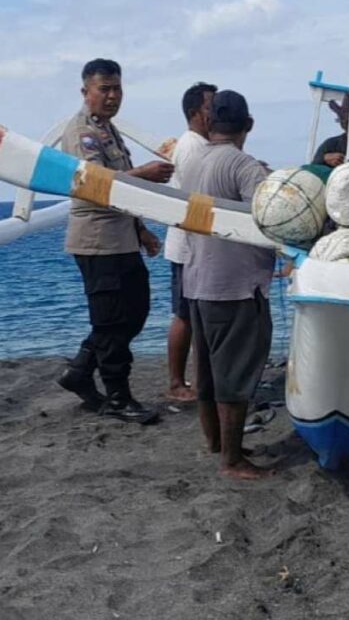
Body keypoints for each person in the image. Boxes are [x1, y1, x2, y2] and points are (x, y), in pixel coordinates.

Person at [57, 59, 174, 424]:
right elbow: (97, 184)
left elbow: (123, 191)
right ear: (86, 92)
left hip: (122, 237)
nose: (112, 96)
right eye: (104, 89)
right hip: (97, 241)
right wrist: (145, 174)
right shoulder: (81, 132)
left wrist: (141, 230)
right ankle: (118, 398)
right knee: (110, 322)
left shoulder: (108, 129)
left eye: (117, 89)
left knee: (135, 313)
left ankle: (80, 370)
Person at [181, 90, 276, 480]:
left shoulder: (192, 162)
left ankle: (217, 444)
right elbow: (271, 218)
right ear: (247, 124)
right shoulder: (244, 166)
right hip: (236, 287)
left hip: (197, 281)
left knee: (207, 371)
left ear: (209, 122)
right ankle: (232, 460)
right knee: (235, 375)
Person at [162, 82, 217, 402]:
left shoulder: (201, 144)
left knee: (193, 316)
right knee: (185, 316)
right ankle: (176, 382)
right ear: (196, 113)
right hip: (187, 247)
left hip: (192, 245)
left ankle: (193, 380)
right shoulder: (193, 147)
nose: (216, 113)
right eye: (211, 107)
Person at [311, 94, 349, 167]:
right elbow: (313, 168)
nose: (345, 124)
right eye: (342, 120)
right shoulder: (331, 144)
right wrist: (324, 158)